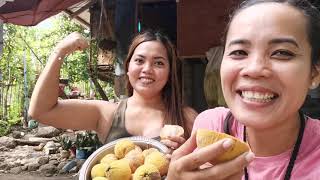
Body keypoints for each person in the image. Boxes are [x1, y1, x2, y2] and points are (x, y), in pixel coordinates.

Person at [167, 0, 320, 179]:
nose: (254, 69)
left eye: (282, 52)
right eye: (239, 52)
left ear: (314, 74)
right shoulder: (211, 126)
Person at [28, 30, 198, 150]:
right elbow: (41, 111)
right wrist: (59, 51)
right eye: (139, 60)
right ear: (128, 67)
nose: (147, 68)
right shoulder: (105, 113)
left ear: (170, 72)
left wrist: (186, 156)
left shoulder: (188, 118)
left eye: (159, 63)